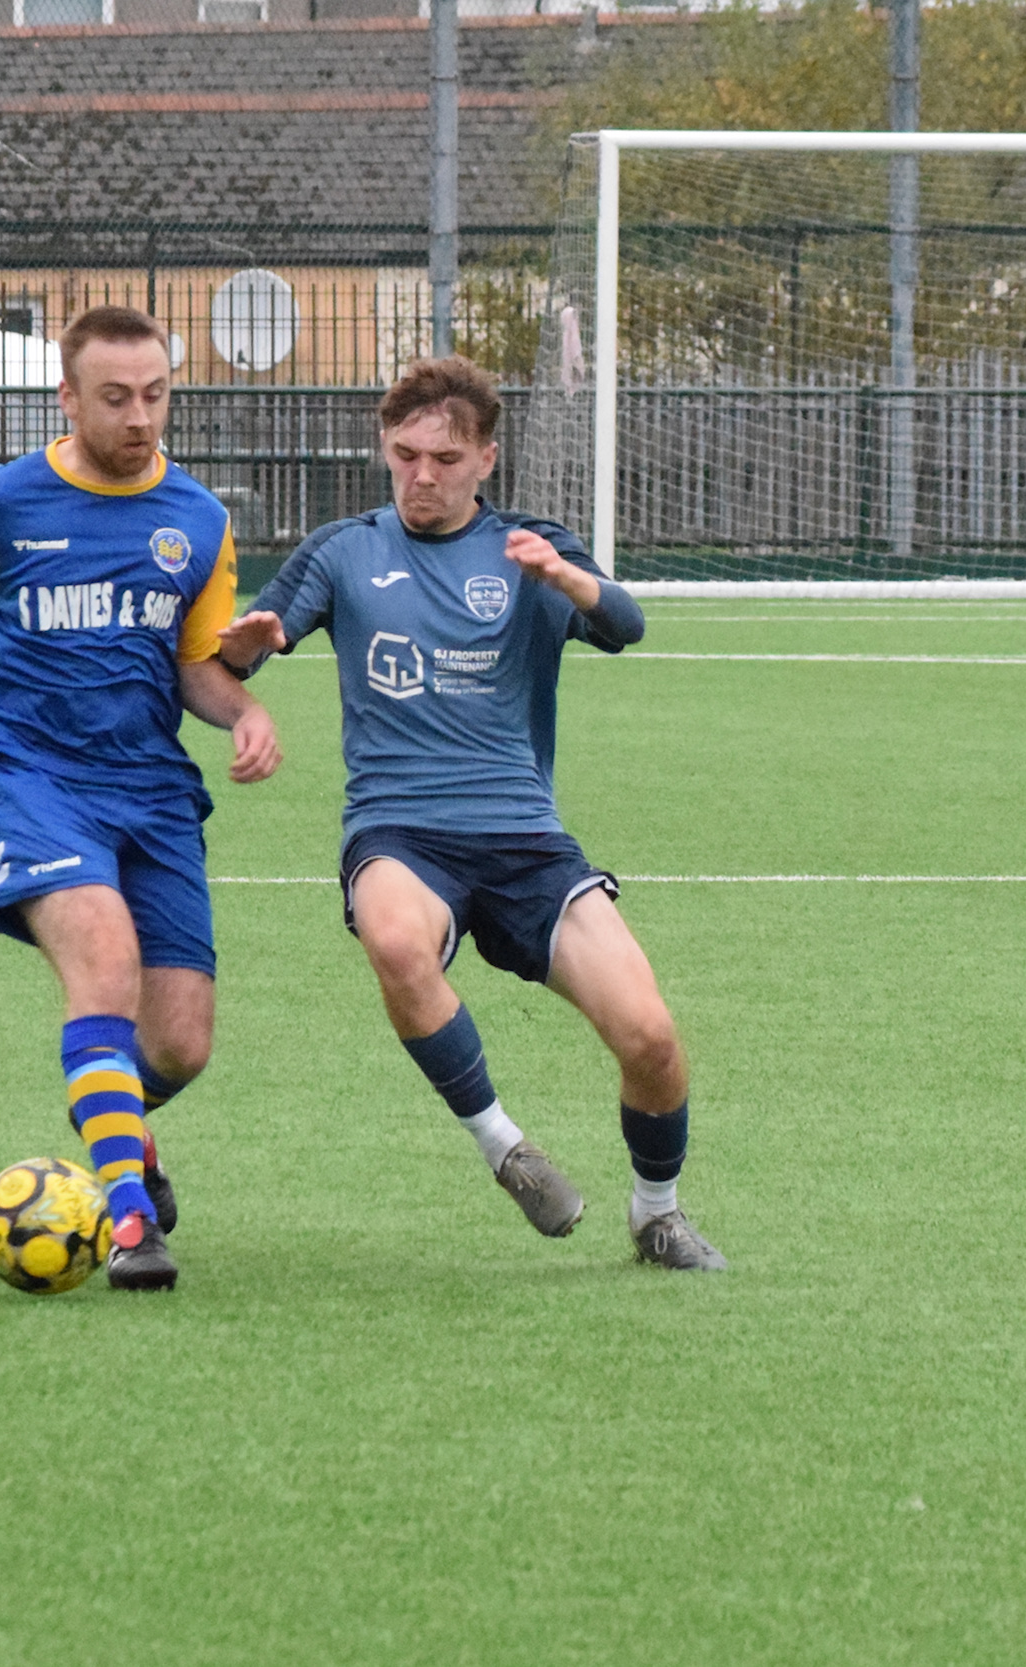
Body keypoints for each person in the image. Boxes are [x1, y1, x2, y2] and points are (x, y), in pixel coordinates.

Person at [217, 355, 724, 1271]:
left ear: (487, 459)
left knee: (649, 1035)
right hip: (401, 831)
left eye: (444, 458)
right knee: (395, 939)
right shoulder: (344, 550)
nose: (421, 474)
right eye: (405, 453)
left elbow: (626, 624)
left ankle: (659, 1214)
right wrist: (248, 655)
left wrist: (569, 582)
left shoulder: (532, 544)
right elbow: (252, 645)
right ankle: (507, 1148)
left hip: (527, 839)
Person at [0, 305, 282, 1292]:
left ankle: (106, 1107)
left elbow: (192, 663)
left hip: (150, 787)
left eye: (155, 395)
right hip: (27, 770)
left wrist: (242, 708)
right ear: (67, 397)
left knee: (180, 1042)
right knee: (103, 961)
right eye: (115, 398)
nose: (139, 416)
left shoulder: (198, 518)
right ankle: (132, 1218)